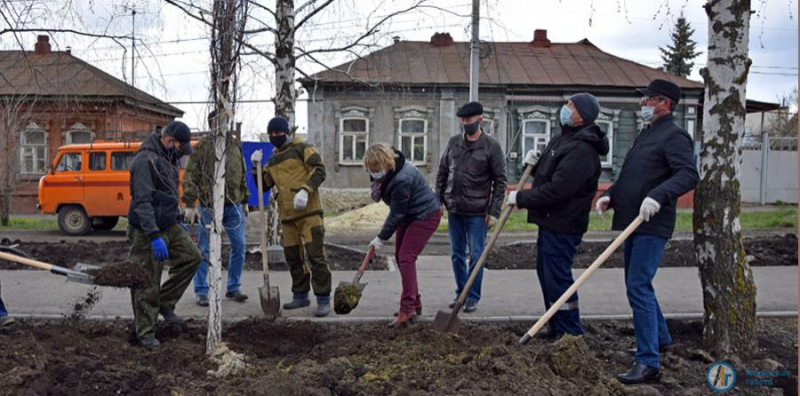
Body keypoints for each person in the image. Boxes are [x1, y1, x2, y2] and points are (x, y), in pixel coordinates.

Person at [596, 79, 699, 384]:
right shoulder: (647, 134)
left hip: (652, 222)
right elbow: (632, 174)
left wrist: (658, 196)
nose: (642, 105)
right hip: (632, 220)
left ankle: (648, 361)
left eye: (647, 100)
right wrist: (610, 194)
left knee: (637, 286)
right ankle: (661, 339)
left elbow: (688, 174)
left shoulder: (675, 136)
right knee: (637, 283)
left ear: (664, 103)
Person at [507, 93, 609, 340]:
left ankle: (571, 333)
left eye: (570, 105)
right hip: (550, 221)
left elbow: (558, 190)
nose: (564, 108)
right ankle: (555, 325)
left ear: (581, 115)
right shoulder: (564, 139)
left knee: (558, 278)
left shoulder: (582, 150)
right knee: (547, 275)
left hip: (565, 224)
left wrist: (521, 199)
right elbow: (548, 175)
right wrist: (531, 165)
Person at [128, 121, 202, 348]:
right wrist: (153, 235)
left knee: (192, 257)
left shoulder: (167, 159)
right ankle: (145, 333)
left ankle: (165, 302)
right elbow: (142, 202)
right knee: (147, 280)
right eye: (180, 149)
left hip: (169, 224)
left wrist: (179, 220)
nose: (181, 155)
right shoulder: (145, 160)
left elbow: (168, 196)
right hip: (146, 229)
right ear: (169, 140)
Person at [251, 117, 331, 317]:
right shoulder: (273, 159)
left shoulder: (302, 149)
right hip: (287, 217)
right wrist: (256, 166)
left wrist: (306, 190)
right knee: (293, 257)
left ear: (287, 133)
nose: (275, 137)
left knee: (315, 255)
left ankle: (323, 299)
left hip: (309, 214)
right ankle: (300, 294)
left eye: (278, 133)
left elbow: (320, 170)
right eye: (271, 135)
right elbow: (265, 184)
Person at [436, 101, 507, 313]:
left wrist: (494, 212)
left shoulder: (491, 146)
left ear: (480, 120)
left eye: (469, 120)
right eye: (463, 121)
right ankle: (461, 293)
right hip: (455, 209)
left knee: (476, 255)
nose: (465, 124)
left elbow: (500, 181)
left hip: (478, 212)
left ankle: (473, 296)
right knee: (457, 254)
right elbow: (442, 172)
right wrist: (438, 200)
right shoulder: (454, 143)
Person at [364, 143, 442, 328]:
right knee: (401, 258)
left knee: (406, 257)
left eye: (377, 169)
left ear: (386, 163)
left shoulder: (401, 179)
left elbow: (396, 214)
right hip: (410, 213)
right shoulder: (386, 172)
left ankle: (407, 309)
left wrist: (381, 238)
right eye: (371, 169)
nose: (374, 173)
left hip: (425, 215)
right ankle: (415, 302)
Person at [183, 110, 250, 307]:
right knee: (204, 249)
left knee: (239, 246)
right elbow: (191, 175)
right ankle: (202, 290)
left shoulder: (234, 146)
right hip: (209, 206)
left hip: (233, 205)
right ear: (211, 124)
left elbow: (241, 174)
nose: (221, 125)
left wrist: (245, 200)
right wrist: (189, 203)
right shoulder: (203, 147)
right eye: (217, 121)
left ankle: (233, 286)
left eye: (224, 121)